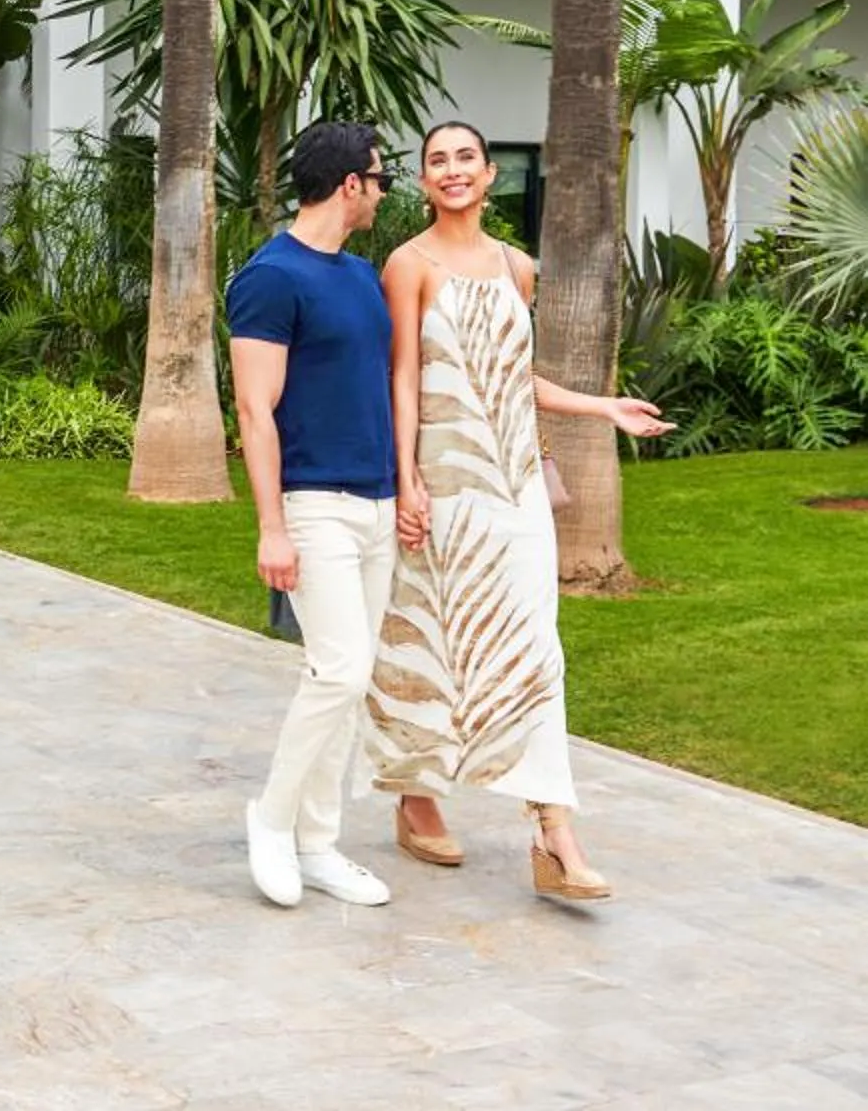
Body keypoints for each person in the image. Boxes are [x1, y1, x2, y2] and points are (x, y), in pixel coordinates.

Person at [366, 118, 673, 901]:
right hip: (444, 483)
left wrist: (603, 408)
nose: (453, 170)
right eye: (437, 160)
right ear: (424, 180)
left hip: (515, 492)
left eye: (466, 157)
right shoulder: (408, 265)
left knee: (537, 649)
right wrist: (407, 480)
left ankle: (555, 835)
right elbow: (403, 377)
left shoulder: (519, 267)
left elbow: (512, 375)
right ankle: (416, 797)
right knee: (427, 634)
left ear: (489, 173)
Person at [228, 119, 397, 910]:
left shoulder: (361, 278)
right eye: (380, 177)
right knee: (340, 668)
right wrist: (272, 525)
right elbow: (256, 413)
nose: (384, 191)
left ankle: (319, 844)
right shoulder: (270, 277)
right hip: (314, 503)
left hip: (378, 501)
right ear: (350, 184)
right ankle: (271, 817)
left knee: (349, 680)